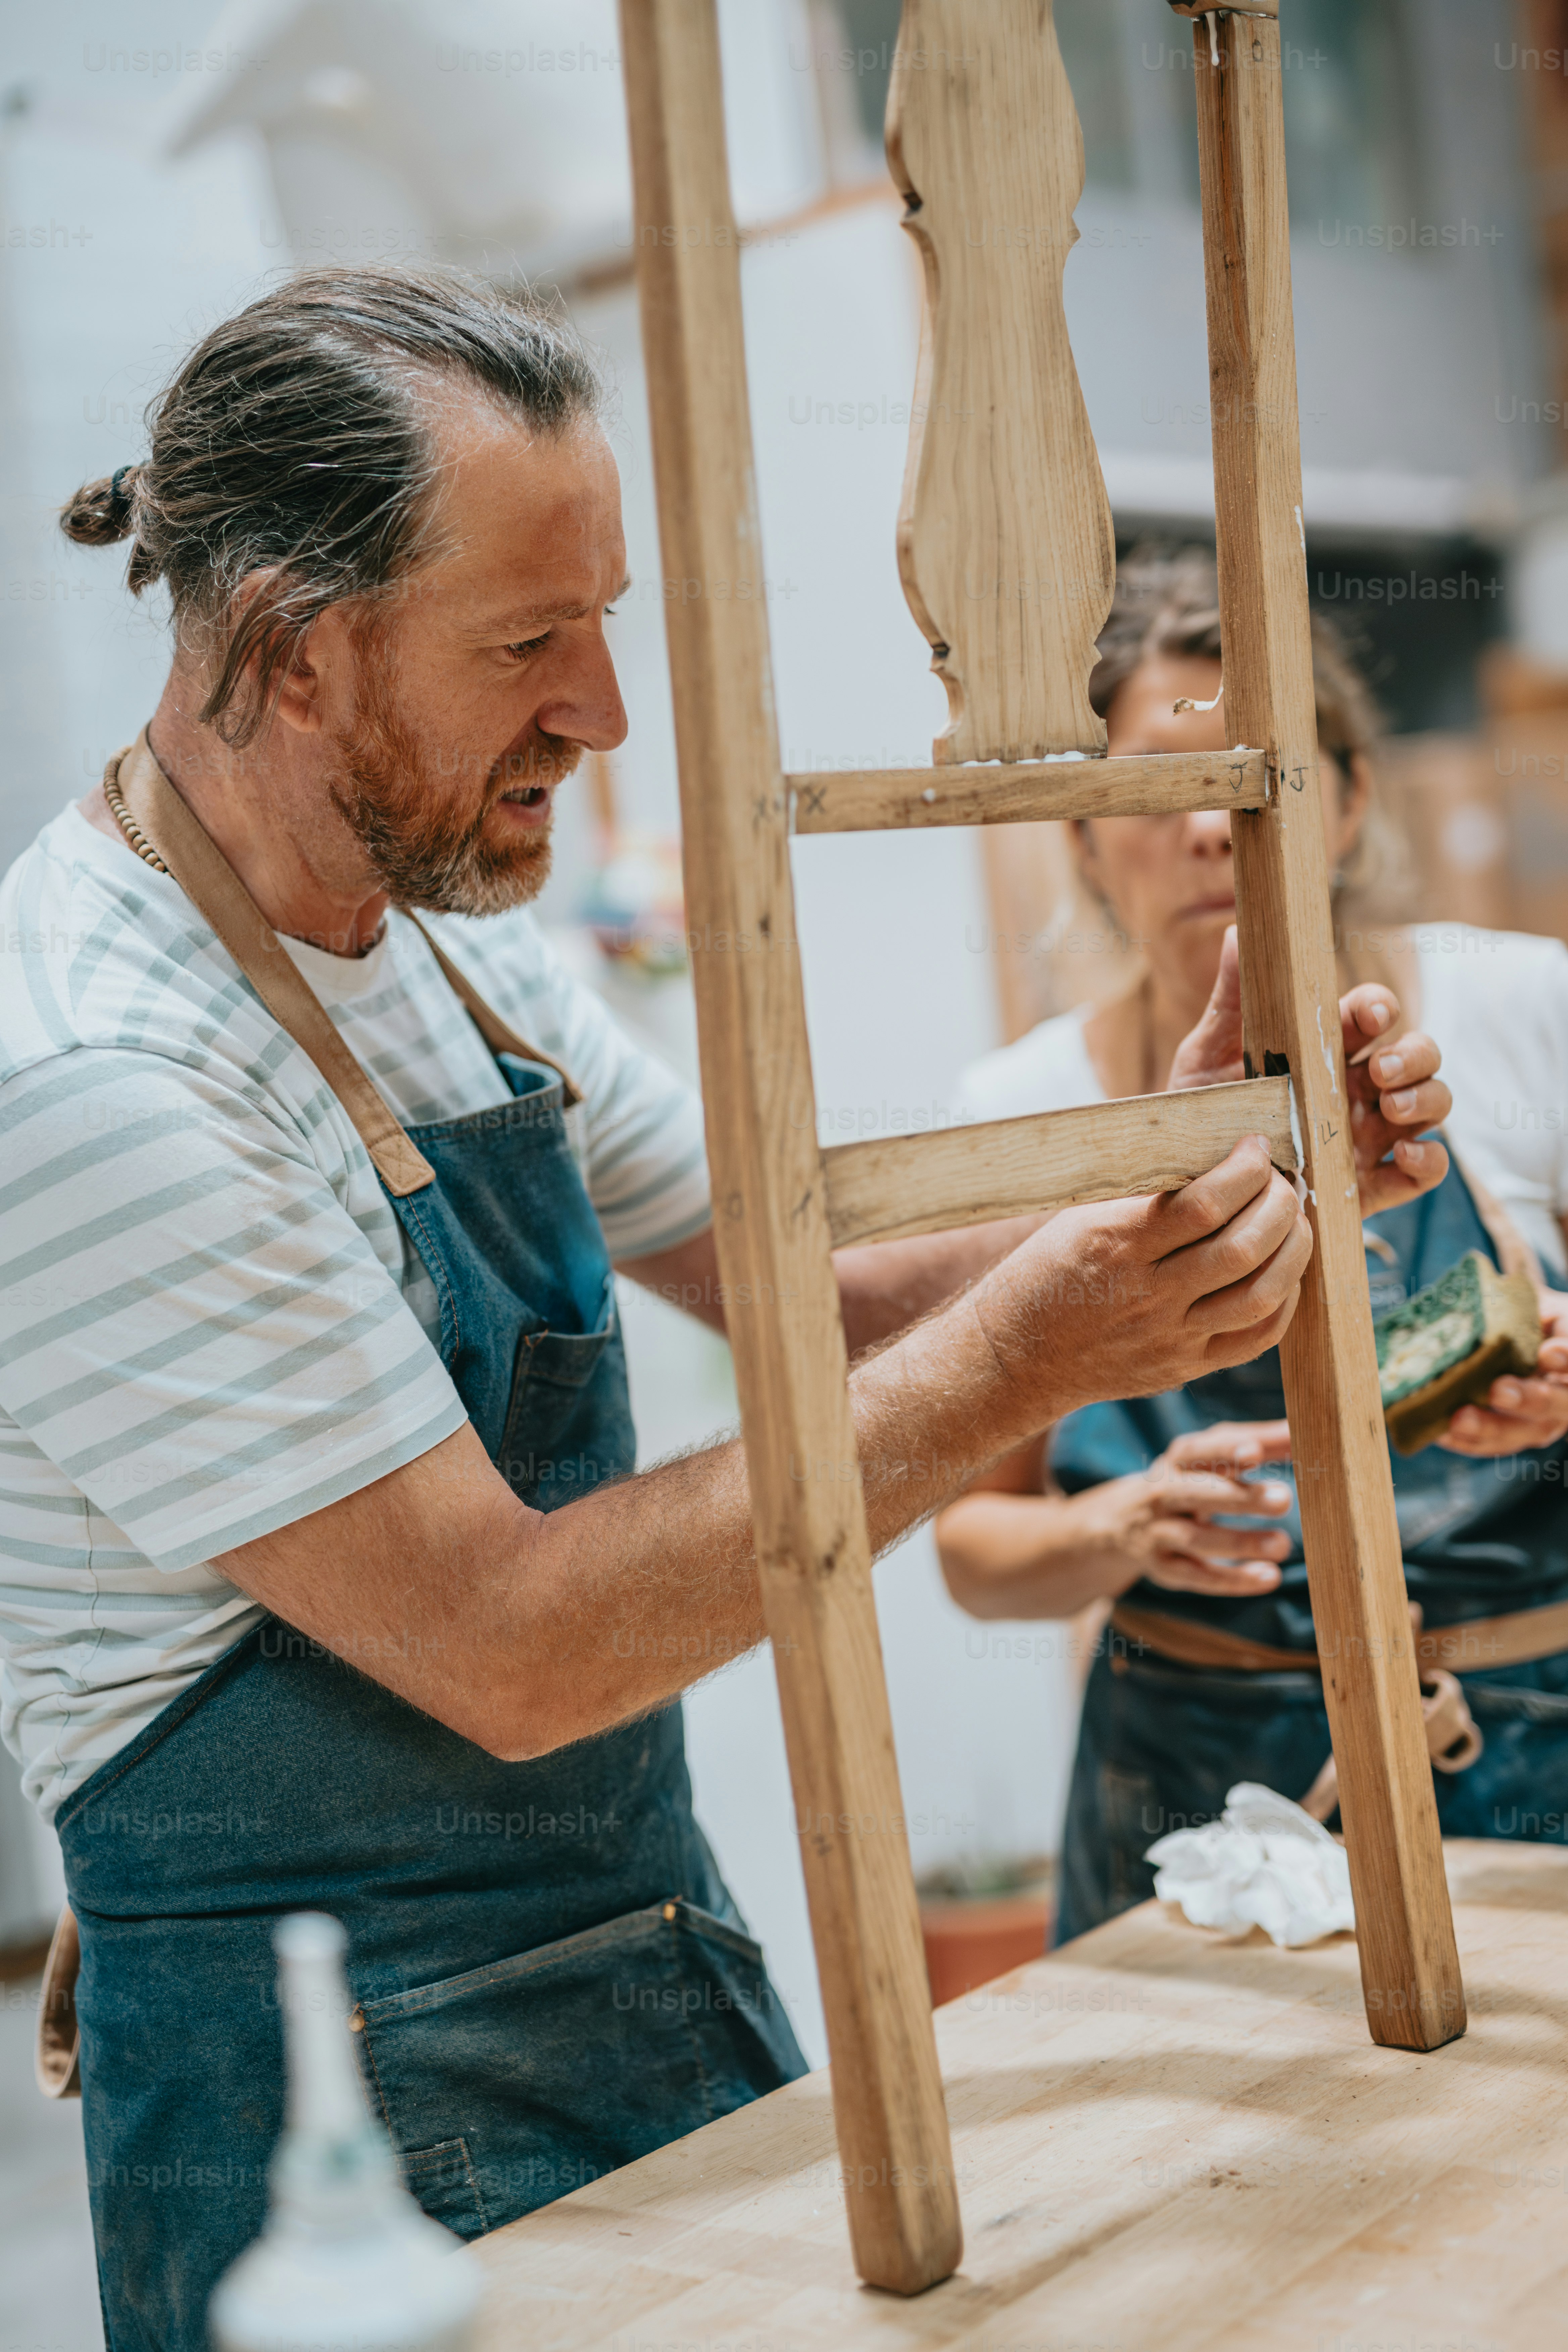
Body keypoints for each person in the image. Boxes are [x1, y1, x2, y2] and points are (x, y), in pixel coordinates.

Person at [0, 278, 1439, 2352]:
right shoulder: (104, 1082)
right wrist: (1030, 1355)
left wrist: (1217, 1161)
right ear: (294, 651)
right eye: (525, 645)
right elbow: (507, 1642)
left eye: (608, 620)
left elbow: (823, 1292)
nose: (603, 710)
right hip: (329, 2123)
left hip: (645, 1968)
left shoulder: (433, 948)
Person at [937, 546, 1568, 1946]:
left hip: (1525, 1747)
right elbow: (977, 1550)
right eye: (1155, 794)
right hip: (1183, 1782)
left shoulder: (1523, 1011)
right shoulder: (1022, 1116)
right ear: (1086, 837)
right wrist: (1117, 1526)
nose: (1210, 831)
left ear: (1341, 800)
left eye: (1250, 777)